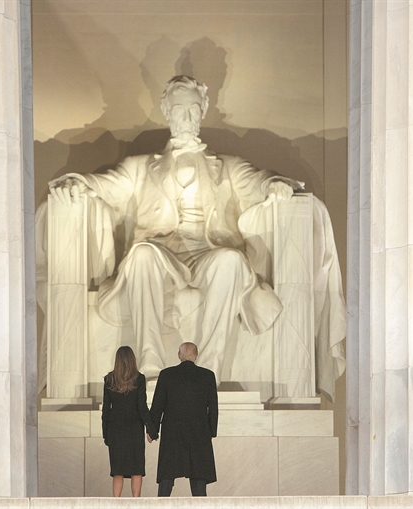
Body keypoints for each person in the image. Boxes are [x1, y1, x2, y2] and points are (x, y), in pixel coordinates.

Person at [48, 75, 302, 381]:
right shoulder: (139, 166)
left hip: (208, 252)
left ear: (204, 109)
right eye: (180, 110)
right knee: (140, 254)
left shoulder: (228, 165)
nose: (187, 117)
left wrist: (275, 185)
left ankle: (208, 371)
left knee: (232, 260)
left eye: (194, 109)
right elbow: (106, 185)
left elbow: (258, 180)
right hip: (161, 254)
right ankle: (151, 363)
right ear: (167, 111)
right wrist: (79, 182)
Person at [149, 342, 218, 496]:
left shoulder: (166, 375)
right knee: (199, 479)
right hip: (199, 433)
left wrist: (152, 431)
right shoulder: (207, 376)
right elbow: (213, 408)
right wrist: (211, 431)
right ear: (196, 356)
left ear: (179, 356)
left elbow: (157, 405)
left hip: (172, 432)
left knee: (167, 477)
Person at [101, 346, 159, 497]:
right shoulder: (139, 379)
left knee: (117, 470)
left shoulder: (109, 379)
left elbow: (106, 409)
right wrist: (151, 429)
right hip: (134, 429)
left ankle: (116, 503)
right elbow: (141, 407)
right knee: (136, 469)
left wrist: (105, 433)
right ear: (133, 359)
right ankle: (136, 503)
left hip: (115, 430)